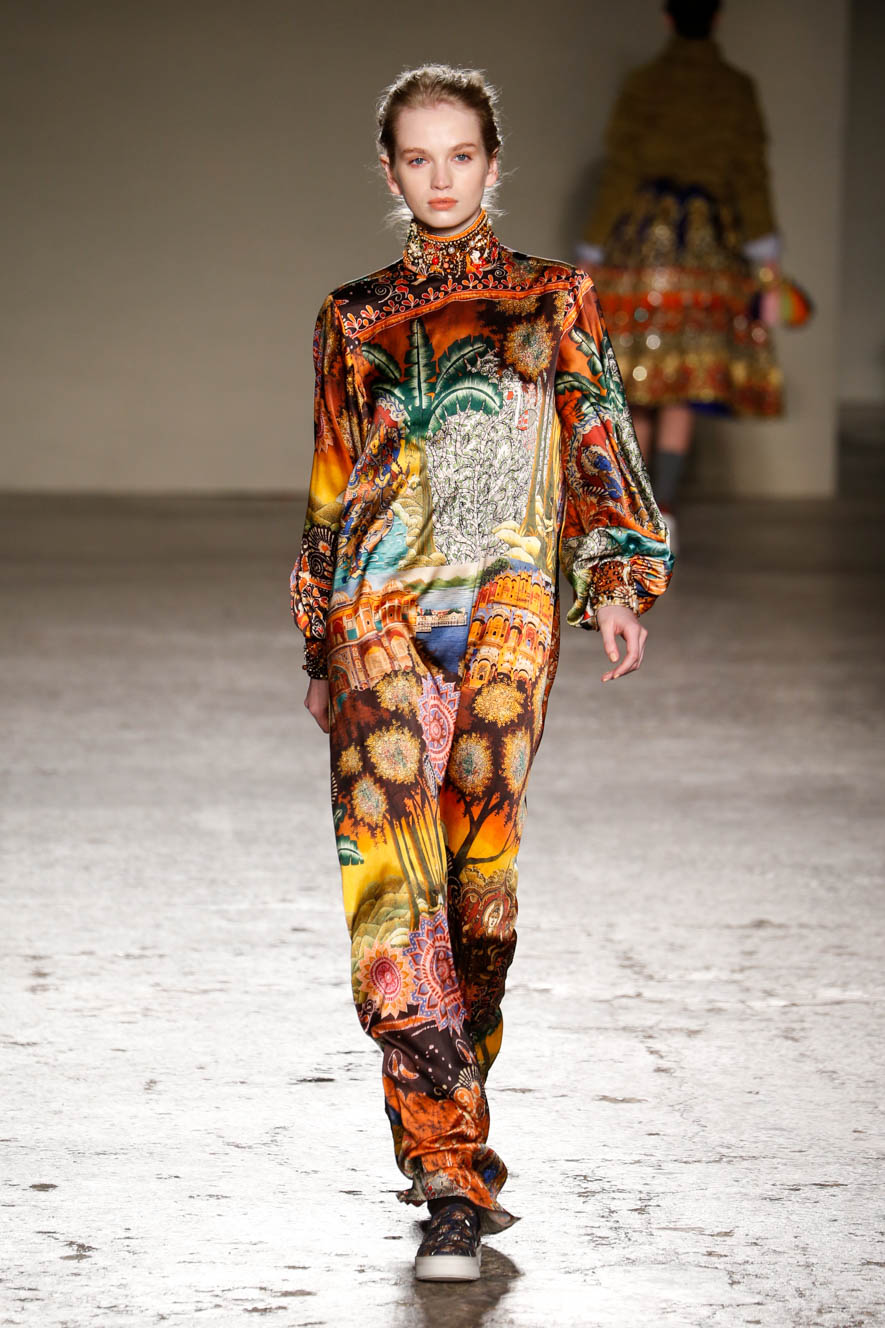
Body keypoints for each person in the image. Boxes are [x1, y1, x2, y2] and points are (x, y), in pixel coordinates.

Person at [290, 64, 672, 1282]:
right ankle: (449, 1178)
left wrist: (616, 580)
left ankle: (451, 1133)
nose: (441, 176)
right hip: (376, 617)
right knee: (390, 893)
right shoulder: (351, 315)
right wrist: (319, 635)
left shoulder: (554, 297)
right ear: (391, 169)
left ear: (492, 163)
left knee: (478, 893)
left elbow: (600, 434)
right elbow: (331, 484)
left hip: (508, 612)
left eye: (462, 154)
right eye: (419, 157)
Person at [579, 0, 784, 548]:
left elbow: (621, 169)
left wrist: (591, 249)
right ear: (717, 17)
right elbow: (751, 177)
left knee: (638, 384)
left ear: (667, 18)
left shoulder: (645, 83)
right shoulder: (735, 88)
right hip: (706, 250)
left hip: (640, 246)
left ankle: (636, 510)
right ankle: (663, 506)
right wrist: (768, 265)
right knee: (682, 386)